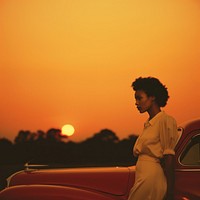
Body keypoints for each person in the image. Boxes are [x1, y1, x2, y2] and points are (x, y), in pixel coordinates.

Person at [128, 77, 178, 200]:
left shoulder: (165, 121)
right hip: (142, 176)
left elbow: (169, 156)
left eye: (139, 98)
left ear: (152, 97)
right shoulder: (149, 124)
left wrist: (170, 191)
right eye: (135, 99)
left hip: (151, 178)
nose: (136, 103)